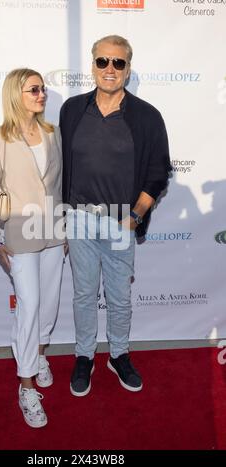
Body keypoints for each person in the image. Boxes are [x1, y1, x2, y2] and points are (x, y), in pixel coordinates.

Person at [60, 35, 171, 397]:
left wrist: (135, 216)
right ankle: (84, 356)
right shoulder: (72, 109)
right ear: (92, 66)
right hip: (79, 219)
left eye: (118, 63)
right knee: (83, 294)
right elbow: (62, 166)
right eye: (103, 61)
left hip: (122, 219)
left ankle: (119, 354)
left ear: (128, 68)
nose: (110, 69)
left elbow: (157, 173)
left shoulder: (148, 116)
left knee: (120, 296)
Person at [0, 68, 64, 427]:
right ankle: (26, 383)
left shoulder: (53, 133)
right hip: (18, 234)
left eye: (43, 89)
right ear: (16, 93)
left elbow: (60, 186)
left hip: (54, 232)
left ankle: (40, 355)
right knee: (28, 306)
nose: (41, 94)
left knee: (49, 303)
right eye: (34, 89)